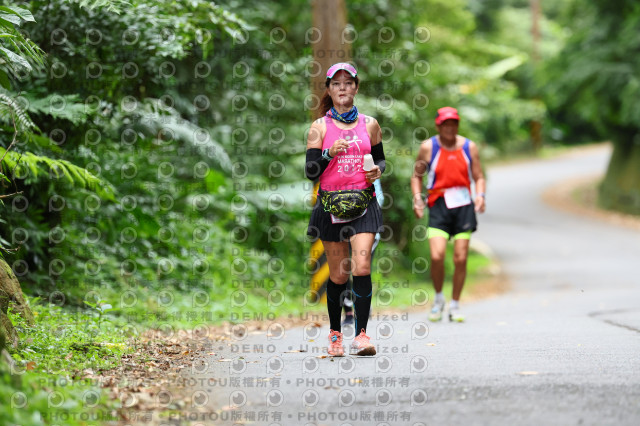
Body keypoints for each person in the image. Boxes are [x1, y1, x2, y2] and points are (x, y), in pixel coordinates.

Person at [305, 62, 385, 356]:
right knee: (339, 276)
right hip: (330, 205)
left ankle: (362, 335)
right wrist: (328, 154)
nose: (342, 88)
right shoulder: (319, 127)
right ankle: (335, 334)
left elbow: (381, 159)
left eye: (348, 83)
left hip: (364, 203)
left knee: (362, 266)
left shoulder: (370, 124)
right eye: (336, 84)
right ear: (329, 89)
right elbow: (311, 171)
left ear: (356, 87)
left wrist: (378, 170)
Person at [410, 106, 486, 322]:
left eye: (453, 123)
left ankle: (455, 305)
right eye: (445, 124)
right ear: (438, 126)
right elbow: (416, 176)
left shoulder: (469, 147)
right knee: (437, 256)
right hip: (439, 205)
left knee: (461, 258)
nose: (450, 128)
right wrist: (417, 198)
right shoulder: (428, 147)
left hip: (463, 206)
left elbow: (478, 176)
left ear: (457, 125)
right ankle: (438, 299)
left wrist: (480, 195)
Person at [342, 178, 384, 327]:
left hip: (365, 226)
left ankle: (362, 307)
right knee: (343, 269)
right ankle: (348, 311)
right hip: (340, 225)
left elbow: (379, 198)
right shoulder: (335, 168)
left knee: (361, 268)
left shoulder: (368, 168)